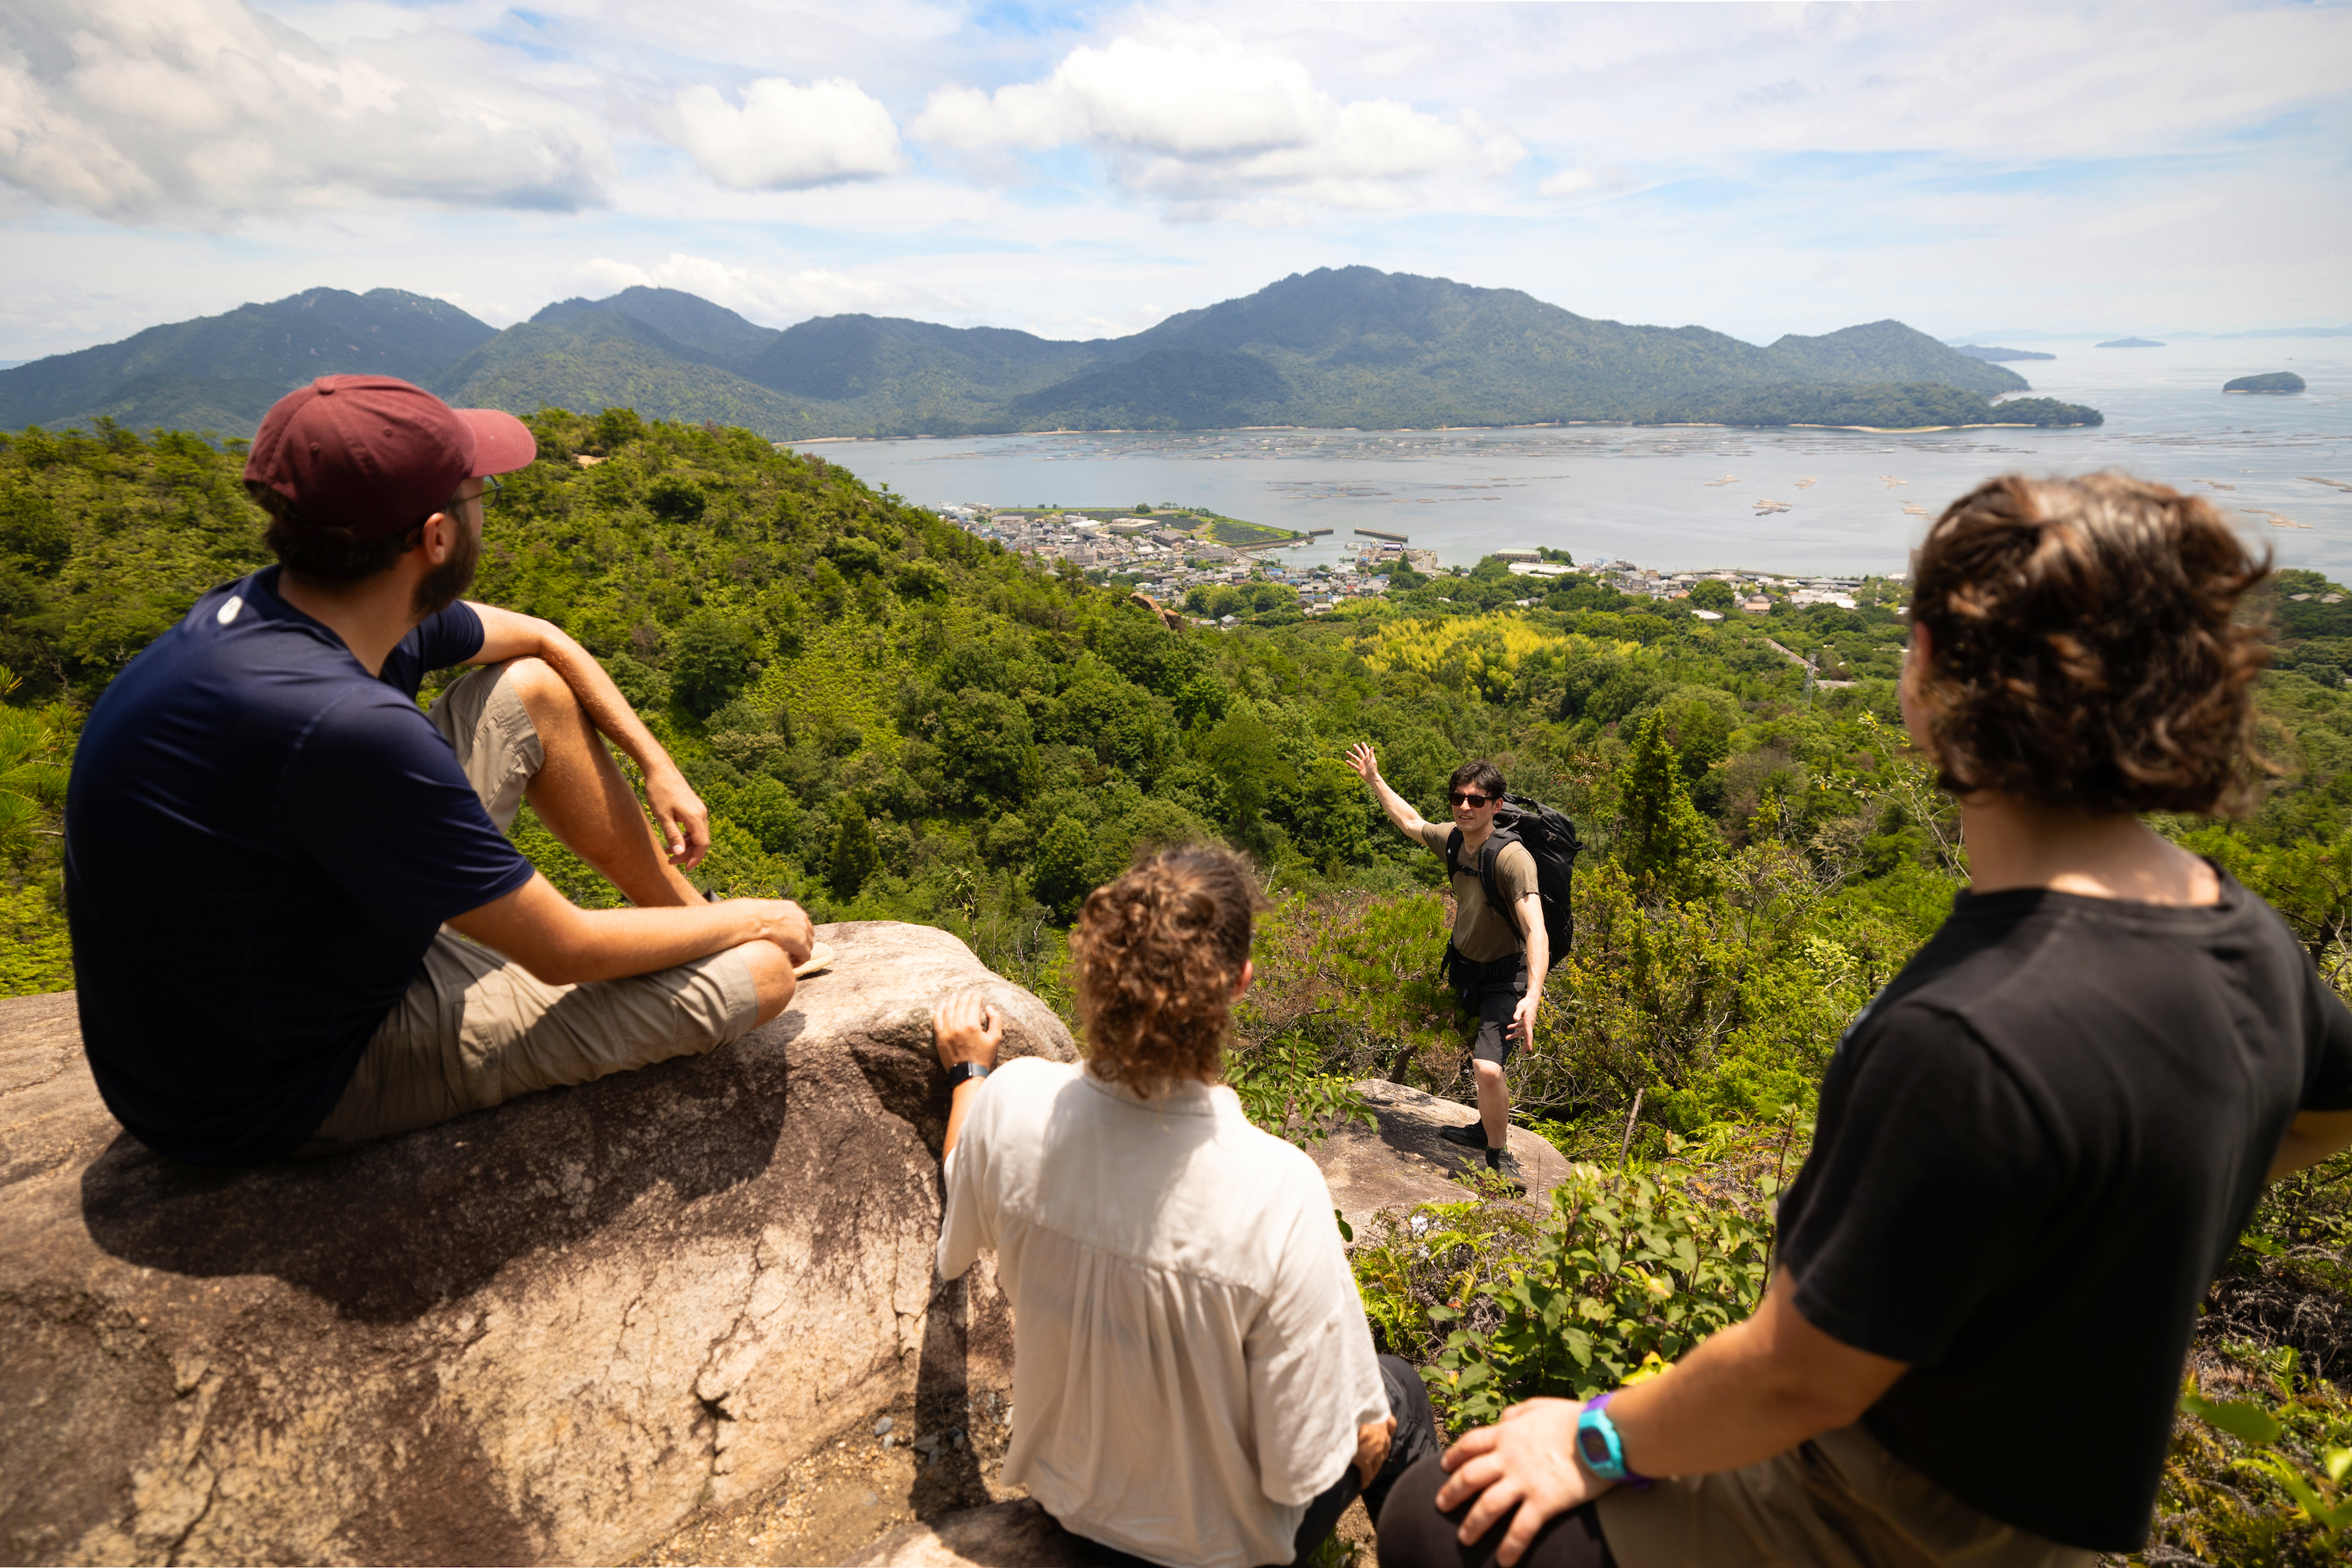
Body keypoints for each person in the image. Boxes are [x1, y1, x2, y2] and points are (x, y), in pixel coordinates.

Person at [1375, 472, 2352, 1568]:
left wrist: (1592, 1437)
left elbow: (1802, 1374)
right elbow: (2322, 1117)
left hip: (1870, 1509)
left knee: (1436, 1520)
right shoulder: (2250, 943)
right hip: (2050, 1529)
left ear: (1932, 669)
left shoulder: (1967, 1033)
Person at [65, 375, 813, 1166]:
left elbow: (541, 641)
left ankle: (680, 912)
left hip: (280, 968)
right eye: (478, 491)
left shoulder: (295, 610)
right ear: (436, 537)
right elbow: (564, 949)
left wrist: (657, 763)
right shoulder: (344, 725)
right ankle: (713, 930)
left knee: (529, 693)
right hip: (272, 1083)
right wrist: (758, 920)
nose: (487, 504)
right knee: (760, 974)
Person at [930, 844, 1445, 1567]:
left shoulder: (1010, 1105)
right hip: (1216, 1548)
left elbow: (960, 1174)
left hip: (1067, 1504)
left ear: (1094, 970)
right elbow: (1304, 1466)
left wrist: (968, 1073)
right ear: (1239, 982)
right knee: (1400, 1395)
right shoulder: (1276, 1188)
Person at [1344, 747, 1547, 1174]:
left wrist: (1532, 994)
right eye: (1458, 798)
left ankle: (1498, 1154)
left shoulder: (1512, 859)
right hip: (1465, 970)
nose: (1465, 806)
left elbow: (1535, 930)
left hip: (1504, 976)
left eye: (1476, 799)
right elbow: (1411, 822)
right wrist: (1374, 779)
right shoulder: (1454, 840)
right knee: (1478, 1053)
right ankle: (1483, 1127)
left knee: (1487, 1067)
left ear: (1497, 805)